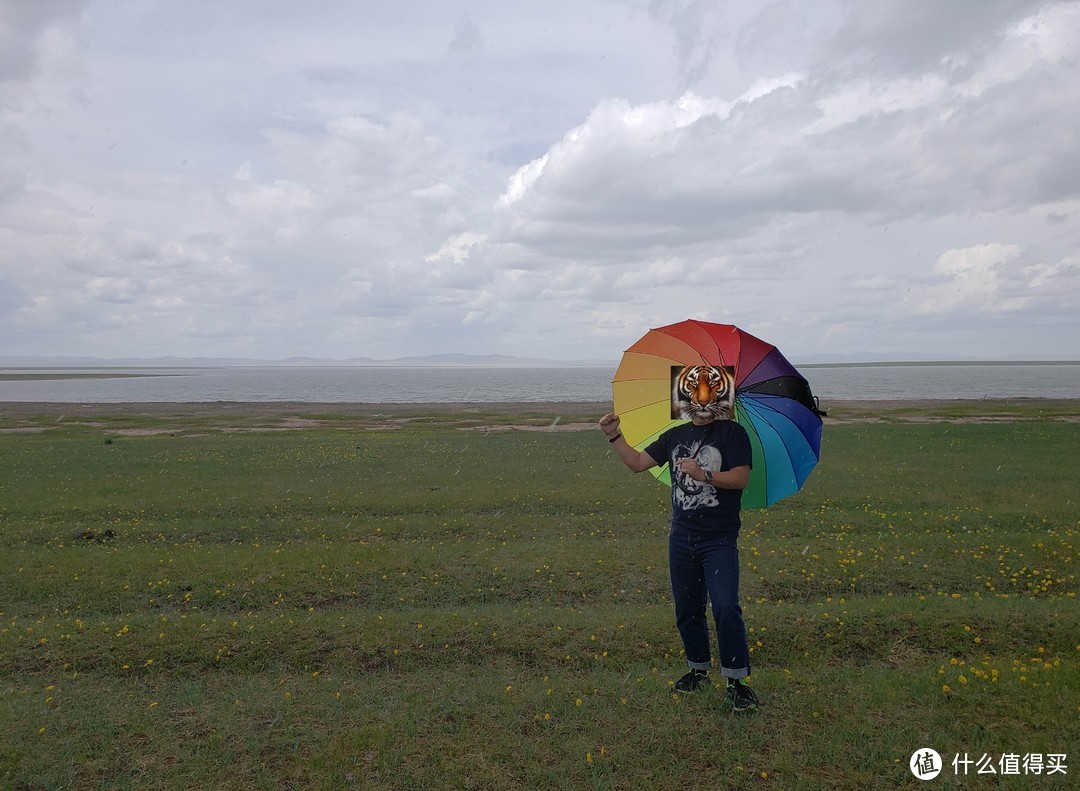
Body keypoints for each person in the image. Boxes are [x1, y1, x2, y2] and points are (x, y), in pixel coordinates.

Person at [598, 407, 759, 712]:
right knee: (687, 607)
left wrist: (703, 474)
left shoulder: (733, 433)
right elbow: (636, 463)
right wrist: (613, 435)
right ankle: (698, 670)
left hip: (719, 538)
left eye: (708, 387)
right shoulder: (675, 435)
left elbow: (740, 479)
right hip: (682, 537)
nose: (700, 395)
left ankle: (737, 683)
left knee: (725, 605)